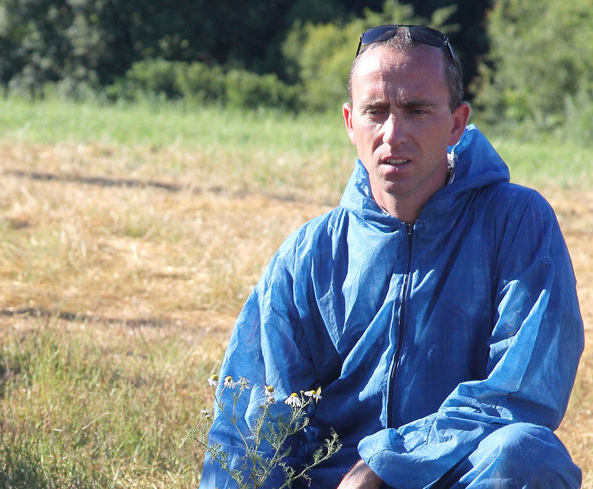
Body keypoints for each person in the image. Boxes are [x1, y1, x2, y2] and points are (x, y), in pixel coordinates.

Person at [199, 25, 584, 489]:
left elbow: (524, 389)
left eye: (416, 110)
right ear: (349, 122)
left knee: (527, 453)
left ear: (456, 123)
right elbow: (254, 419)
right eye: (375, 112)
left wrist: (390, 462)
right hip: (338, 480)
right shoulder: (312, 251)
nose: (392, 133)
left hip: (458, 473)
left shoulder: (517, 222)